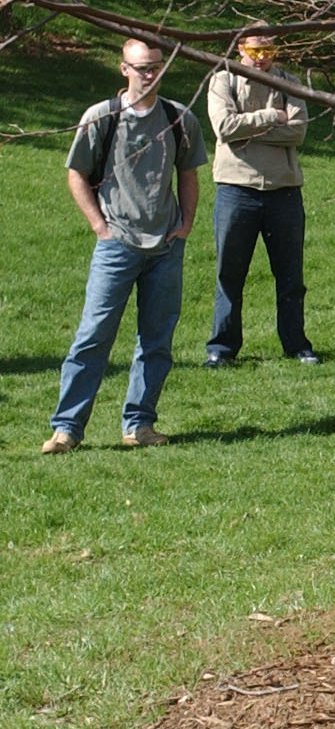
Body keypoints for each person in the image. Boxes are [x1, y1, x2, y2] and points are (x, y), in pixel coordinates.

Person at [42, 39, 208, 453]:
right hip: (117, 245)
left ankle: (140, 425)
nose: (149, 75)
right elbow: (77, 174)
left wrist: (185, 224)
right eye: (141, 68)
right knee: (93, 336)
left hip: (166, 246)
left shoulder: (179, 118)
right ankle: (67, 430)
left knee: (156, 341)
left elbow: (188, 174)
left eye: (156, 67)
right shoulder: (102, 117)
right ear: (124, 69)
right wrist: (100, 227)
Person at [204, 33, 319, 367]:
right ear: (241, 48)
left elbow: (297, 132)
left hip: (284, 191)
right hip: (236, 189)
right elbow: (225, 127)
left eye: (268, 50)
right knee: (230, 273)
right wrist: (272, 117)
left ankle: (296, 345)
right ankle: (222, 348)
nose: (262, 57)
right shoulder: (223, 80)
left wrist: (248, 131)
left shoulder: (290, 83)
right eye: (255, 50)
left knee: (290, 276)